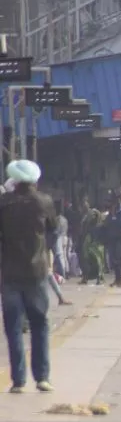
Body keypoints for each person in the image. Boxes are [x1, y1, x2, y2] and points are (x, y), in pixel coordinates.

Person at [0, 160, 58, 393]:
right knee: (40, 324)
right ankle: (42, 377)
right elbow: (53, 231)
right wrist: (44, 252)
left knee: (13, 326)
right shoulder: (44, 201)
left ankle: (18, 380)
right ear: (35, 180)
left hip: (9, 273)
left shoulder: (3, 203)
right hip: (37, 272)